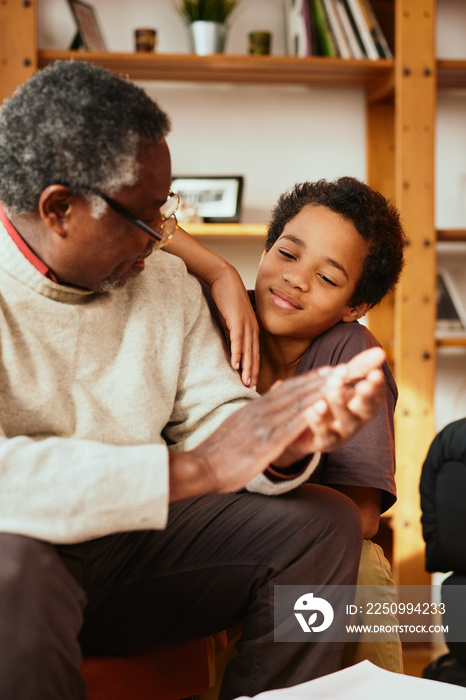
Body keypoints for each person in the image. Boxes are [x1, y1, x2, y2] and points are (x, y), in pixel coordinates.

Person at [0, 61, 388, 700]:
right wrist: (193, 472)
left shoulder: (161, 283)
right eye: (148, 218)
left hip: (130, 554)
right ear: (60, 209)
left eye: (168, 213)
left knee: (323, 523)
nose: (161, 240)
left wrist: (282, 438)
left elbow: (215, 410)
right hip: (25, 557)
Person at [166, 177, 407, 673]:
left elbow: (362, 518)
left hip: (306, 554)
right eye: (288, 253)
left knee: (359, 568)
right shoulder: (208, 314)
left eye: (328, 278)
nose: (295, 279)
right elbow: (146, 224)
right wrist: (219, 271)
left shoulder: (352, 358)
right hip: (206, 543)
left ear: (354, 308)